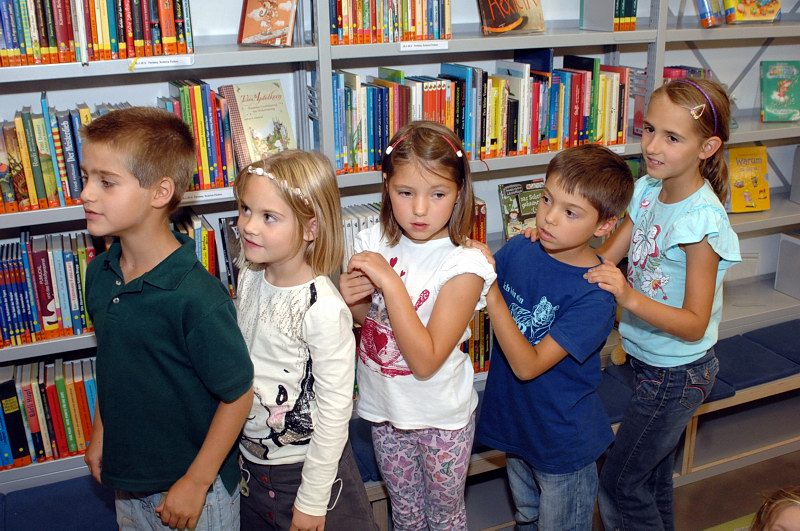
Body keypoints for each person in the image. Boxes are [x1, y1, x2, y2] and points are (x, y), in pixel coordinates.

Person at [81, 107, 255, 531]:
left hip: (195, 493)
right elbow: (115, 362)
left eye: (106, 182)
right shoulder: (100, 273)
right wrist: (102, 432)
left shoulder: (197, 297)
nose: (86, 194)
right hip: (128, 480)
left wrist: (196, 482)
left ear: (160, 192)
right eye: (85, 177)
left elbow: (238, 395)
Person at [587, 78, 742, 530]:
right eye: (649, 129)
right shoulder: (646, 190)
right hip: (647, 362)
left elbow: (694, 324)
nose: (652, 146)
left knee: (619, 484)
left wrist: (628, 296)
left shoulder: (701, 222)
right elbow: (605, 258)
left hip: (677, 374)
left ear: (707, 147)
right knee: (650, 480)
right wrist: (552, 242)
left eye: (672, 138)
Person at [339, 121, 496, 530]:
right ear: (386, 186)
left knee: (444, 518)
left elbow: (425, 361)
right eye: (405, 192)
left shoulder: (465, 264)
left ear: (459, 192)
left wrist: (391, 284)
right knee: (405, 513)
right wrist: (349, 301)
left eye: (438, 194)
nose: (420, 209)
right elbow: (372, 323)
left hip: (440, 418)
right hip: (385, 410)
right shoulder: (371, 241)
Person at [469, 144, 634, 530]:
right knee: (527, 517)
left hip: (562, 444)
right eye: (547, 199)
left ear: (604, 226)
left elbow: (528, 366)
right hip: (517, 427)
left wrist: (492, 291)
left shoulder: (594, 295)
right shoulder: (520, 248)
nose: (549, 217)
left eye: (570, 212)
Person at [235, 150, 375, 531]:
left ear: (310, 228)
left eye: (269, 217)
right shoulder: (249, 277)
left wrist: (313, 499)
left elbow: (334, 414)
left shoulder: (324, 309)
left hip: (310, 473)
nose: (249, 226)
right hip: (252, 465)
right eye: (246, 209)